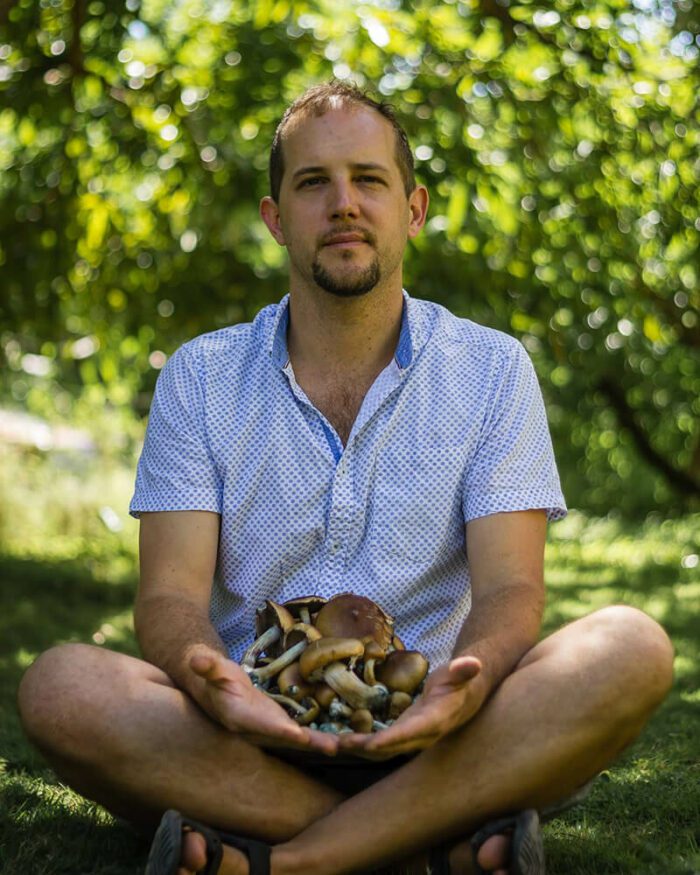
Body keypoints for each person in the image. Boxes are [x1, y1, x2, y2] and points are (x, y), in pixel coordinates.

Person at [18, 81, 674, 875]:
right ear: (275, 218)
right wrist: (212, 677)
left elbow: (509, 592)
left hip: (435, 733)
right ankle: (434, 845)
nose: (343, 205)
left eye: (368, 179)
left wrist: (458, 695)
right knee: (60, 686)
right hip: (246, 735)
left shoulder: (494, 369)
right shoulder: (199, 375)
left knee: (631, 646)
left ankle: (280, 862)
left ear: (413, 208)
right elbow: (168, 599)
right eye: (312, 183)